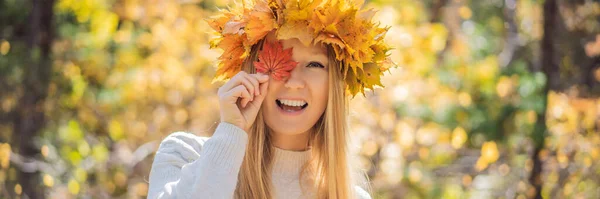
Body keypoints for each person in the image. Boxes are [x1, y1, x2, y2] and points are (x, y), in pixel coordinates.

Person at [147, 0, 393, 198]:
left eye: (315, 64)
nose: (294, 81)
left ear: (335, 87)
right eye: (280, 59)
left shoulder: (350, 195)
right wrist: (231, 132)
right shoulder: (184, 155)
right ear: (251, 70)